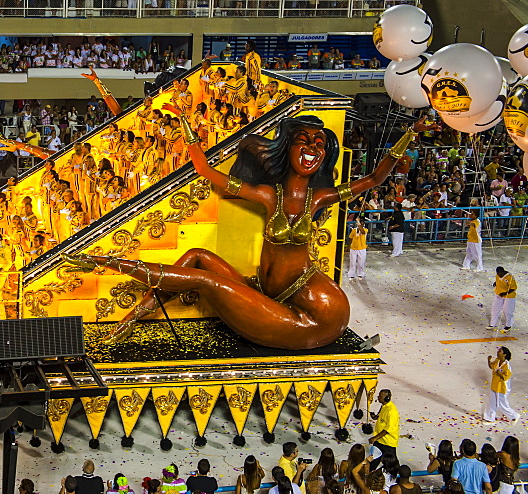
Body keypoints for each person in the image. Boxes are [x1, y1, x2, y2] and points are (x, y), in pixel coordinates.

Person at [64, 115, 436, 349]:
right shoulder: (267, 195)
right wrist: (189, 135)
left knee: (206, 281)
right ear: (287, 148)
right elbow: (209, 174)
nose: (312, 150)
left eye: (319, 144)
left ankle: (103, 261)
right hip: (275, 297)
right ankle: (133, 317)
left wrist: (409, 135)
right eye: (303, 142)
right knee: (198, 258)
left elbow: (372, 179)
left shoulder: (320, 198)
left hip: (317, 318)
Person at [484, 346, 520, 424]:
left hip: (502, 388)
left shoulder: (507, 366)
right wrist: (488, 360)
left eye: (500, 351)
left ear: (504, 354)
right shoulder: (497, 361)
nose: (497, 352)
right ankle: (490, 418)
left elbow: (505, 377)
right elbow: (491, 366)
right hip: (495, 385)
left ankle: (514, 416)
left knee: (502, 404)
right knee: (492, 402)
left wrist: (499, 372)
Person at [369, 389, 399, 466]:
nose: (378, 397)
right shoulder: (384, 406)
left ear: (387, 398)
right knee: (373, 461)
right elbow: (382, 418)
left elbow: (387, 429)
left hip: (387, 442)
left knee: (392, 464)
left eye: (380, 396)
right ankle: (369, 475)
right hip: (380, 440)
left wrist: (375, 438)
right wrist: (375, 417)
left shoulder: (391, 412)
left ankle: (399, 476)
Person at [490, 266, 517, 331]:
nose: (499, 275)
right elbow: (498, 280)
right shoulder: (498, 275)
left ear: (503, 271)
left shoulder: (509, 277)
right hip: (498, 294)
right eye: (498, 273)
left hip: (509, 296)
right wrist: (495, 283)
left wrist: (505, 293)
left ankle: (508, 325)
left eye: (500, 273)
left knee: (507, 311)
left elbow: (513, 288)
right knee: (495, 309)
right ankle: (492, 324)